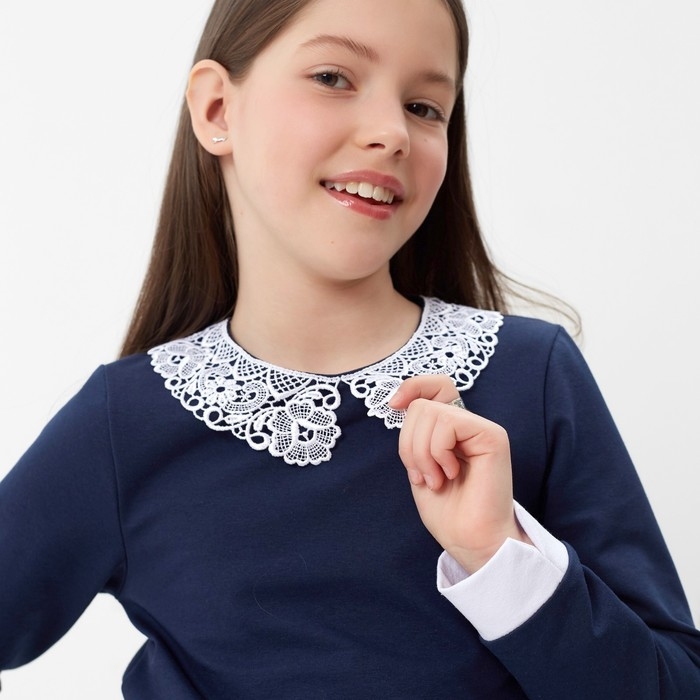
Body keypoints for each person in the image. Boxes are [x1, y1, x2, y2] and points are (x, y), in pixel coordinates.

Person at [1, 0, 699, 697]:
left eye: (425, 107)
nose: (392, 133)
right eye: (333, 77)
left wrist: (499, 557)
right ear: (217, 109)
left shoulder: (531, 377)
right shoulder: (124, 421)